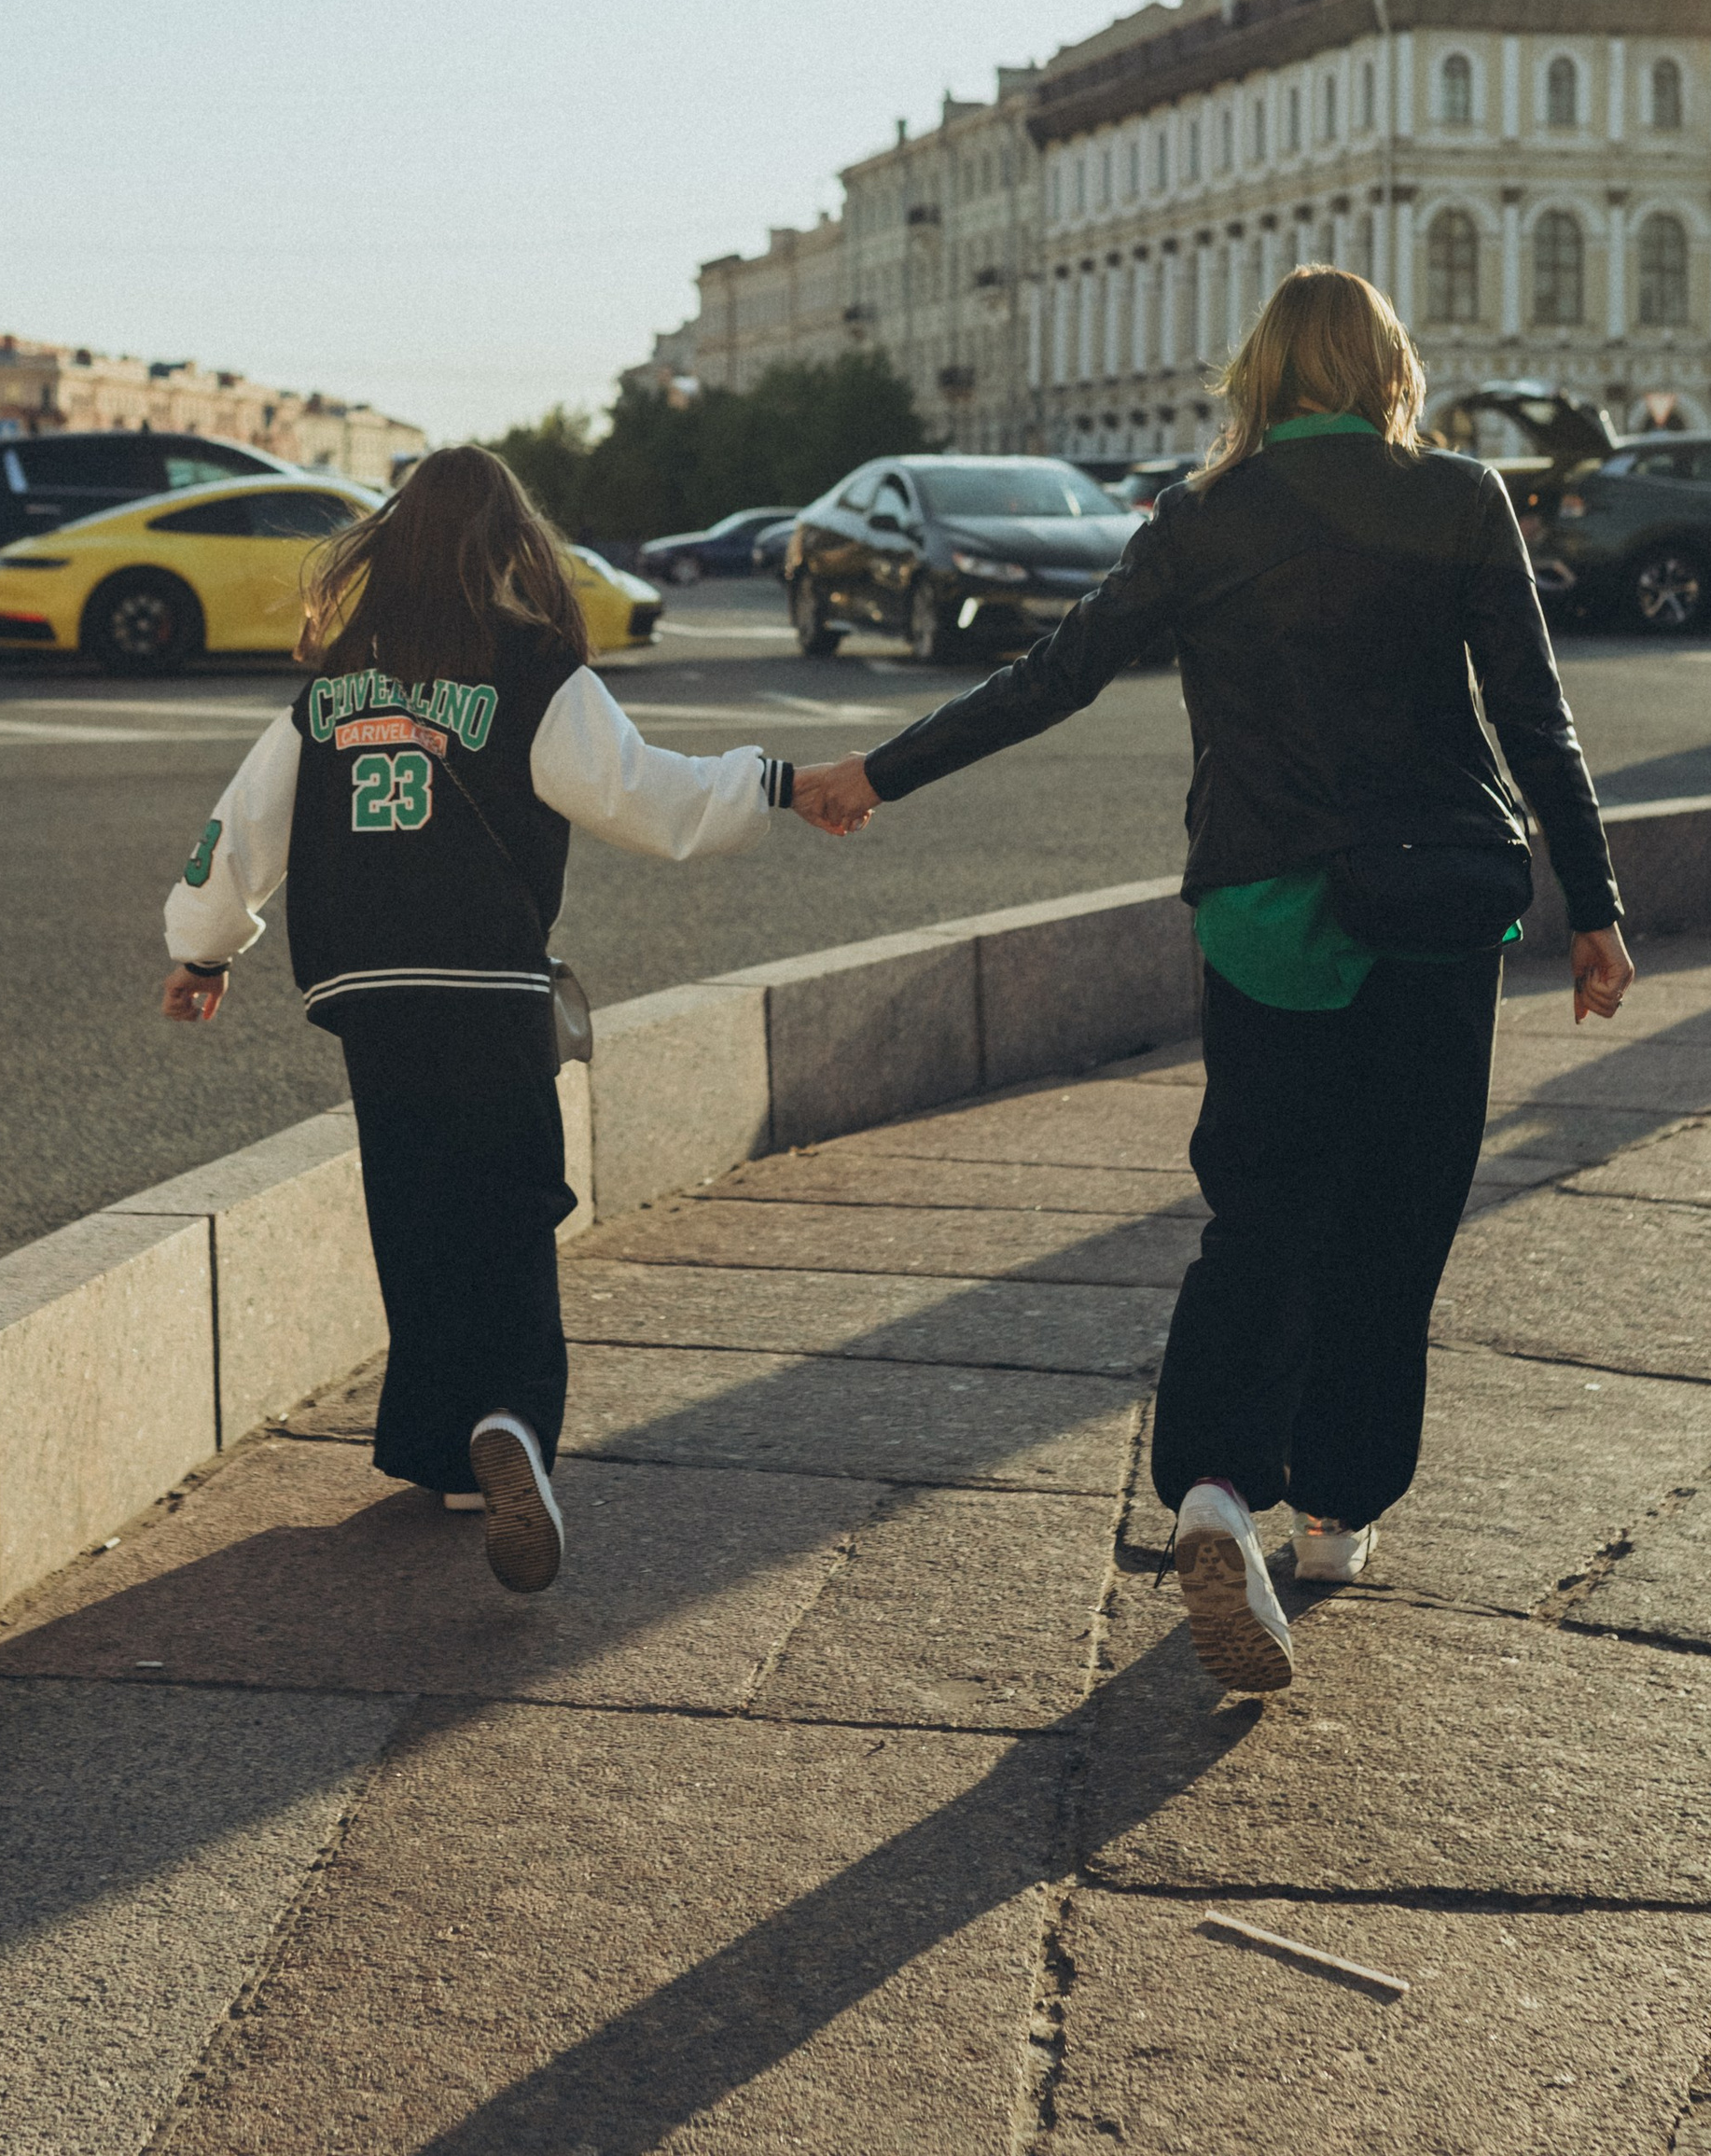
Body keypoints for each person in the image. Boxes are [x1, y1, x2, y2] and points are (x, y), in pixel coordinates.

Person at [793, 266, 1632, 1696]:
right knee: (1402, 1207)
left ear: (1260, 375)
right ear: (1386, 371)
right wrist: (1597, 904)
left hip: (1267, 914)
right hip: (1432, 912)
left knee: (1262, 1207)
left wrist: (873, 772)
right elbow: (1530, 711)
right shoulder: (1461, 498)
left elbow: (1053, 677)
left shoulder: (1202, 520)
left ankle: (1214, 1492)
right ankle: (1337, 1504)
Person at [160, 443, 811, 1595]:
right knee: (510, 1211)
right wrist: (772, 782)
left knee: (413, 1217)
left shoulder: (335, 683)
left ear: (392, 544)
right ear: (512, 547)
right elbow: (643, 797)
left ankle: (440, 1450)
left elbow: (238, 832)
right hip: (490, 988)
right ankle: (510, 1421)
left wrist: (201, 951)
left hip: (367, 992)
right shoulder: (533, 667)